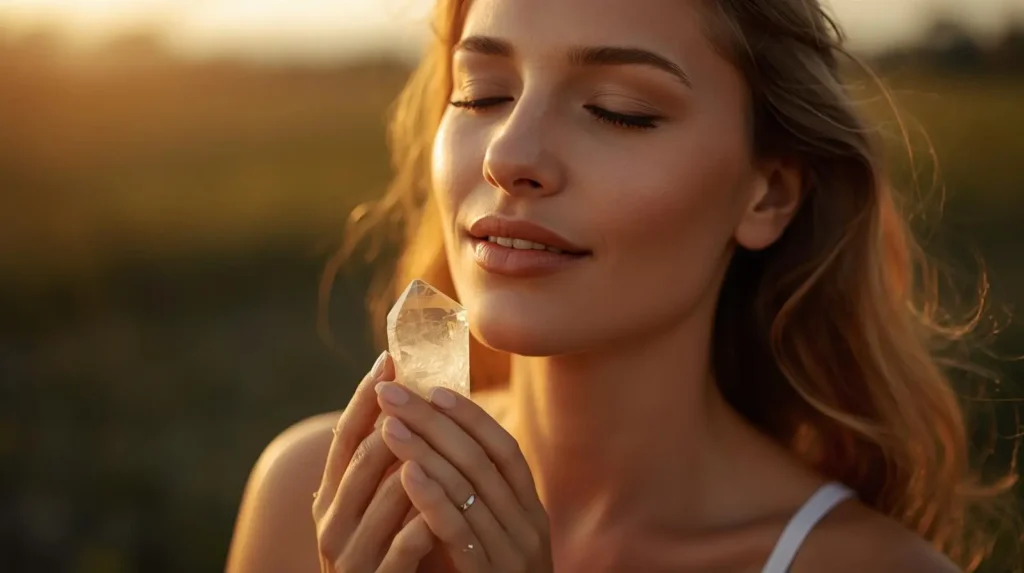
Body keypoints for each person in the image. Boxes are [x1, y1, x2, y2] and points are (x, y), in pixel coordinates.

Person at [225, 0, 1014, 571]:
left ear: (767, 193)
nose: (510, 152)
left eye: (619, 111)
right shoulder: (314, 497)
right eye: (484, 92)